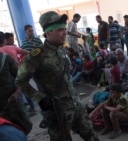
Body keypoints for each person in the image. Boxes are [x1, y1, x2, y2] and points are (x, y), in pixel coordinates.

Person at [16, 11, 99, 141]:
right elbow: (21, 80)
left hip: (75, 104)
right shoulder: (37, 56)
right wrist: (39, 98)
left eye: (64, 29)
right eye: (60, 30)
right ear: (48, 32)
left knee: (91, 135)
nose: (65, 32)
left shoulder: (62, 49)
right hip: (57, 111)